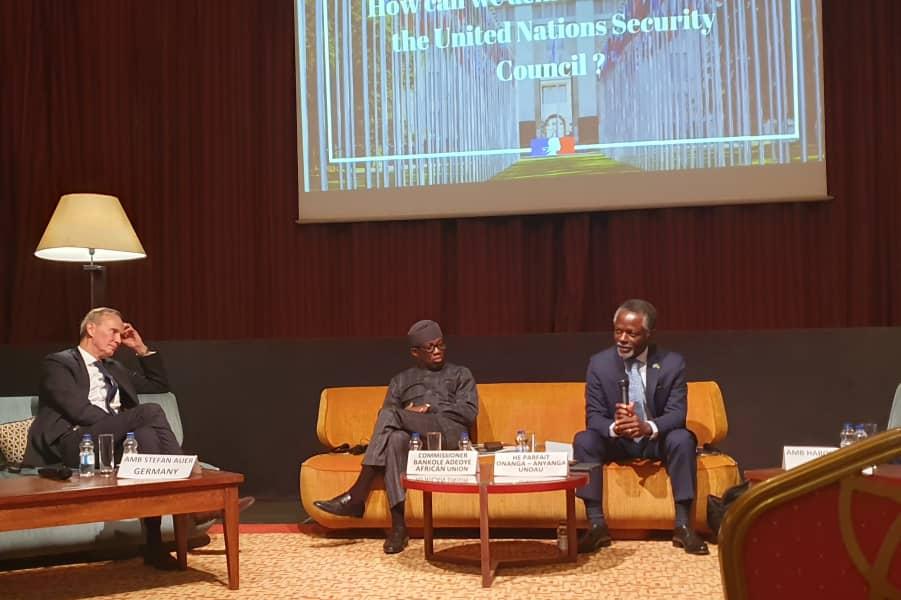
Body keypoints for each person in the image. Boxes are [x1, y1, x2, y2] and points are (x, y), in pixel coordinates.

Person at [23, 307, 253, 569]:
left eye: (120, 335)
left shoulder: (114, 368)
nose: (118, 340)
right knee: (149, 412)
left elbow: (158, 385)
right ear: (91, 329)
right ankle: (192, 493)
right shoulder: (59, 363)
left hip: (116, 441)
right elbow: (77, 410)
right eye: (113, 332)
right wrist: (123, 422)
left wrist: (141, 349)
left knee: (145, 437)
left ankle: (154, 546)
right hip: (76, 443)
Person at [313, 319, 478, 554]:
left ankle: (357, 494)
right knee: (394, 439)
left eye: (440, 345)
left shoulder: (460, 373)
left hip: (449, 434)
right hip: (416, 442)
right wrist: (408, 414)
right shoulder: (401, 380)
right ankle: (399, 528)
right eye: (430, 347)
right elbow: (386, 417)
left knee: (391, 416)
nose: (437, 351)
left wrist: (429, 408)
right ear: (415, 352)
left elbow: (469, 411)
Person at [572, 299, 709, 555]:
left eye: (631, 333)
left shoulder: (672, 363)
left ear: (649, 334)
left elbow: (677, 414)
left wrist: (647, 427)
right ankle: (596, 526)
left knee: (682, 438)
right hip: (618, 441)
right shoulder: (599, 364)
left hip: (655, 440)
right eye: (618, 331)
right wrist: (615, 427)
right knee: (584, 440)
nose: (622, 339)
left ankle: (683, 526)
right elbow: (594, 417)